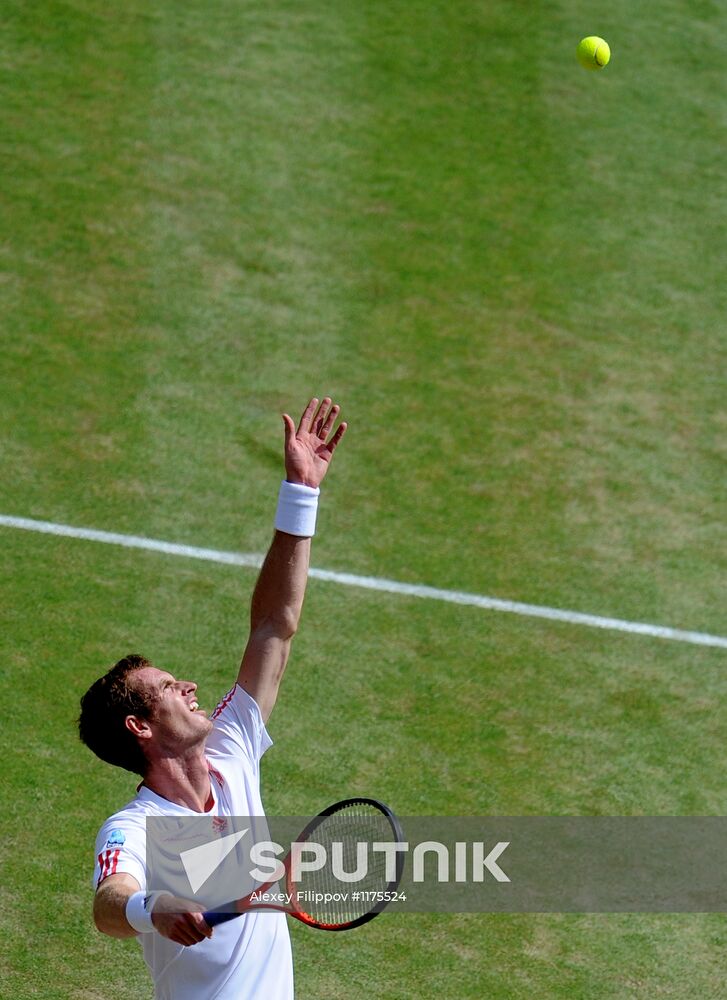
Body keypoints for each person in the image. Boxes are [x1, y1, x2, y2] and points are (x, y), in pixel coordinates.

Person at [79, 397, 347, 1000]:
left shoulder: (233, 751)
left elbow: (274, 626)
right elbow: (108, 902)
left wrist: (300, 494)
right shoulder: (135, 827)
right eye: (169, 690)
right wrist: (154, 907)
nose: (190, 687)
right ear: (139, 726)